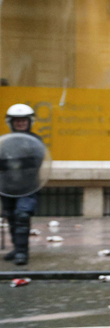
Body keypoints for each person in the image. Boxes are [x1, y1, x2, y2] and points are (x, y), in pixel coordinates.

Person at [1, 104, 44, 266]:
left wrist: (13, 163)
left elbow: (37, 162)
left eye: (23, 120)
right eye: (17, 121)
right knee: (11, 217)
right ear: (11, 122)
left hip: (28, 186)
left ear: (29, 122)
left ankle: (22, 252)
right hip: (8, 186)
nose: (20, 123)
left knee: (22, 215)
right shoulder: (5, 141)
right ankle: (16, 247)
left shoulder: (35, 141)